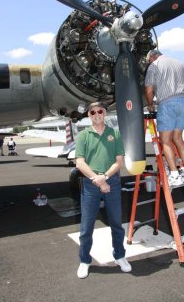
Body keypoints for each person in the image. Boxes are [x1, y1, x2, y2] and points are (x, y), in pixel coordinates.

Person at [75, 101, 131, 279]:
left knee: (116, 224)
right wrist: (97, 179)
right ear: (89, 116)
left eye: (99, 111)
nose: (96, 114)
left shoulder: (114, 133)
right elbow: (80, 163)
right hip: (91, 183)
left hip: (111, 181)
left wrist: (105, 177)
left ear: (104, 113)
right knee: (86, 227)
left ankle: (120, 256)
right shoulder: (83, 135)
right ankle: (84, 261)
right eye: (92, 113)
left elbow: (119, 161)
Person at [145, 49, 184, 186]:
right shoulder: (179, 62)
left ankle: (174, 174)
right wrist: (177, 84)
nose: (149, 62)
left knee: (165, 140)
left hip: (167, 103)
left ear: (152, 57)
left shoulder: (154, 66)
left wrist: (150, 105)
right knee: (178, 138)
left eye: (149, 60)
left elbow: (149, 90)